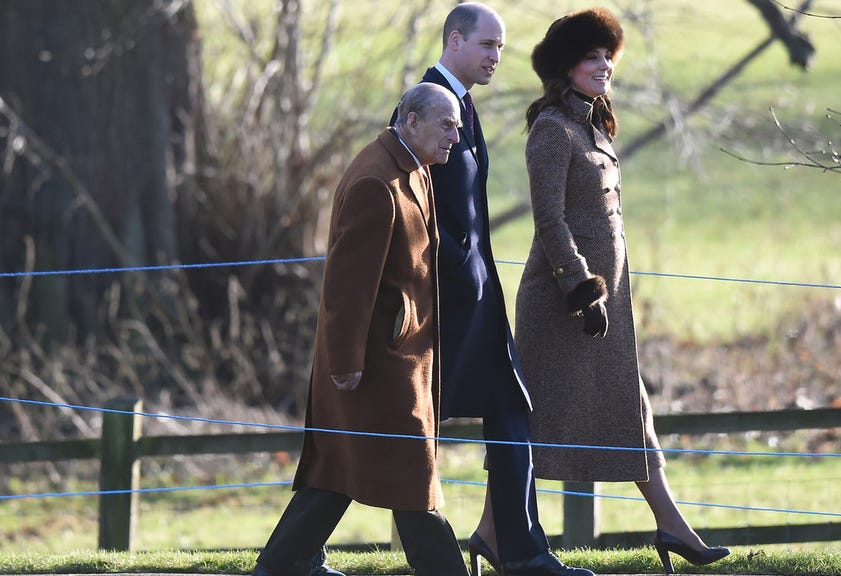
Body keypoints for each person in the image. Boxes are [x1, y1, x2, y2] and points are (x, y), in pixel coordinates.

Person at [515, 8, 731, 575]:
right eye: (592, 56)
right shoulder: (551, 130)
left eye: (607, 55)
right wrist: (582, 289)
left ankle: (672, 526)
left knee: (628, 409)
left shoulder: (592, 125)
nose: (604, 64)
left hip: (603, 307)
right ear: (566, 67)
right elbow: (550, 221)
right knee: (538, 426)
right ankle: (495, 532)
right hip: (563, 303)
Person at [397, 3, 592, 576]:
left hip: (477, 297)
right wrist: (453, 272)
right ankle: (304, 544)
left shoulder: (462, 104)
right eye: (487, 45)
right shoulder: (424, 105)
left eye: (501, 48)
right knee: (404, 423)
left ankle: (517, 547)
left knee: (510, 409)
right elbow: (411, 202)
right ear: (454, 40)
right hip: (445, 303)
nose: (496, 58)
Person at [251, 83, 469, 576]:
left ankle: (282, 565)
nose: (456, 136)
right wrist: (346, 362)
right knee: (412, 480)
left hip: (402, 356)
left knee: (337, 471)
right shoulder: (377, 181)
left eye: (457, 126)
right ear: (411, 121)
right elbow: (348, 286)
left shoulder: (413, 167)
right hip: (377, 364)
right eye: (447, 125)